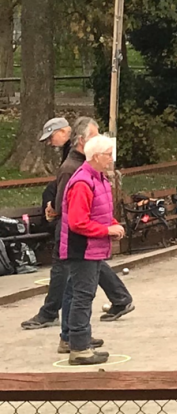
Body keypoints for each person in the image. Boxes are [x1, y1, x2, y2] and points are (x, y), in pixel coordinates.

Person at [21, 118, 134, 333]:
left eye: (51, 137)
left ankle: (67, 329)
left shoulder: (80, 166)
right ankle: (74, 330)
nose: (49, 142)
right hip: (78, 229)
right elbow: (69, 200)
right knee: (82, 275)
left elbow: (72, 208)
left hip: (76, 231)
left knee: (76, 281)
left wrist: (58, 210)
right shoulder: (77, 166)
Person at [60, 135, 125, 365]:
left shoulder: (97, 178)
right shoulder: (82, 182)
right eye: (108, 155)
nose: (111, 159)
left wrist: (112, 223)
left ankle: (81, 339)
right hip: (82, 248)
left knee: (84, 295)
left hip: (92, 247)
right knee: (83, 296)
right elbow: (78, 222)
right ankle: (78, 347)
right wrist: (107, 230)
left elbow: (100, 211)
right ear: (96, 156)